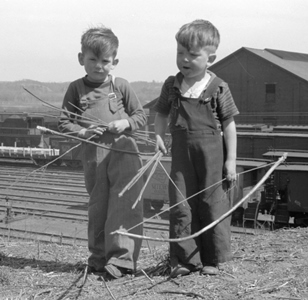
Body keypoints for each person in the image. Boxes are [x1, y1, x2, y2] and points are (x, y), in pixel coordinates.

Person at [58, 25, 147, 279]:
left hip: (124, 153)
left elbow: (141, 116)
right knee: (98, 206)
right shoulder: (76, 89)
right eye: (92, 60)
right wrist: (83, 132)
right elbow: (64, 122)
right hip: (94, 155)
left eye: (105, 61)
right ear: (81, 59)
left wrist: (125, 123)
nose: (99, 66)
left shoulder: (121, 86)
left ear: (115, 61)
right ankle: (98, 258)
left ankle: (122, 260)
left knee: (125, 203)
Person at [154, 19, 239, 277]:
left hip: (212, 159)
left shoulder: (218, 88)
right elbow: (160, 114)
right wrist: (158, 136)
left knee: (211, 204)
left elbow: (230, 125)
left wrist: (231, 161)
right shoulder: (172, 85)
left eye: (193, 55)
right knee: (181, 205)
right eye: (180, 53)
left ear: (210, 58)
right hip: (181, 159)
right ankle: (183, 261)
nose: (185, 60)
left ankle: (212, 259)